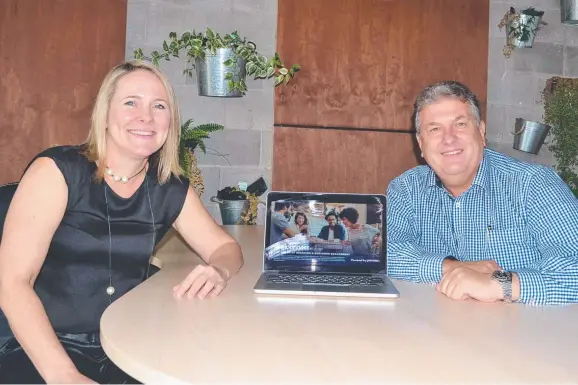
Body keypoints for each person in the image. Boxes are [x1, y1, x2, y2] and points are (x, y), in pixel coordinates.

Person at [0, 60, 244, 384]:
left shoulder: (168, 187)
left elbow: (226, 247)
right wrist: (63, 375)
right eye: (131, 102)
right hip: (44, 348)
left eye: (159, 106)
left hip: (128, 346)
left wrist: (219, 270)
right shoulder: (57, 171)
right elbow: (11, 282)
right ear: (105, 113)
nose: (146, 116)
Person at [386, 80, 578, 305]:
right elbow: (383, 255)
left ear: (482, 131)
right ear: (421, 143)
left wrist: (498, 284)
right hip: (432, 331)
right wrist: (452, 267)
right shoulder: (405, 189)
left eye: (460, 124)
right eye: (435, 128)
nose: (448, 138)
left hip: (525, 334)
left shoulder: (535, 185)